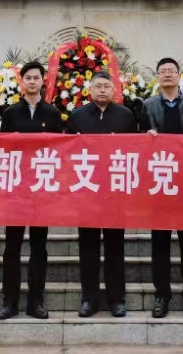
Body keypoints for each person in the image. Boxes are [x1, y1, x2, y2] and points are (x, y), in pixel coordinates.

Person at [67, 70, 137, 318]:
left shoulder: (125, 115)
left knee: (115, 246)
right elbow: (67, 151)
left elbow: (135, 150)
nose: (103, 90)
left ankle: (116, 299)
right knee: (88, 247)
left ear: (114, 89)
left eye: (107, 86)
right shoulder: (77, 116)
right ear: (90, 90)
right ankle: (89, 298)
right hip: (87, 190)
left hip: (115, 191)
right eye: (98, 86)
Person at [0, 60, 63, 321]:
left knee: (39, 247)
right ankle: (9, 301)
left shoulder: (53, 113)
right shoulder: (10, 113)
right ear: (22, 82)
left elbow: (60, 149)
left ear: (43, 81)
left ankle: (35, 301)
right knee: (12, 247)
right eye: (28, 78)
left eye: (36, 78)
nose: (32, 82)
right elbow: (1, 148)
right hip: (16, 188)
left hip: (41, 189)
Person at [140, 57, 183, 320]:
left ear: (179, 76)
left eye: (171, 71)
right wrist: (146, 137)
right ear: (157, 77)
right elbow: (138, 142)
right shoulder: (148, 105)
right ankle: (162, 295)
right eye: (163, 71)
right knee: (160, 245)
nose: (167, 74)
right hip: (160, 183)